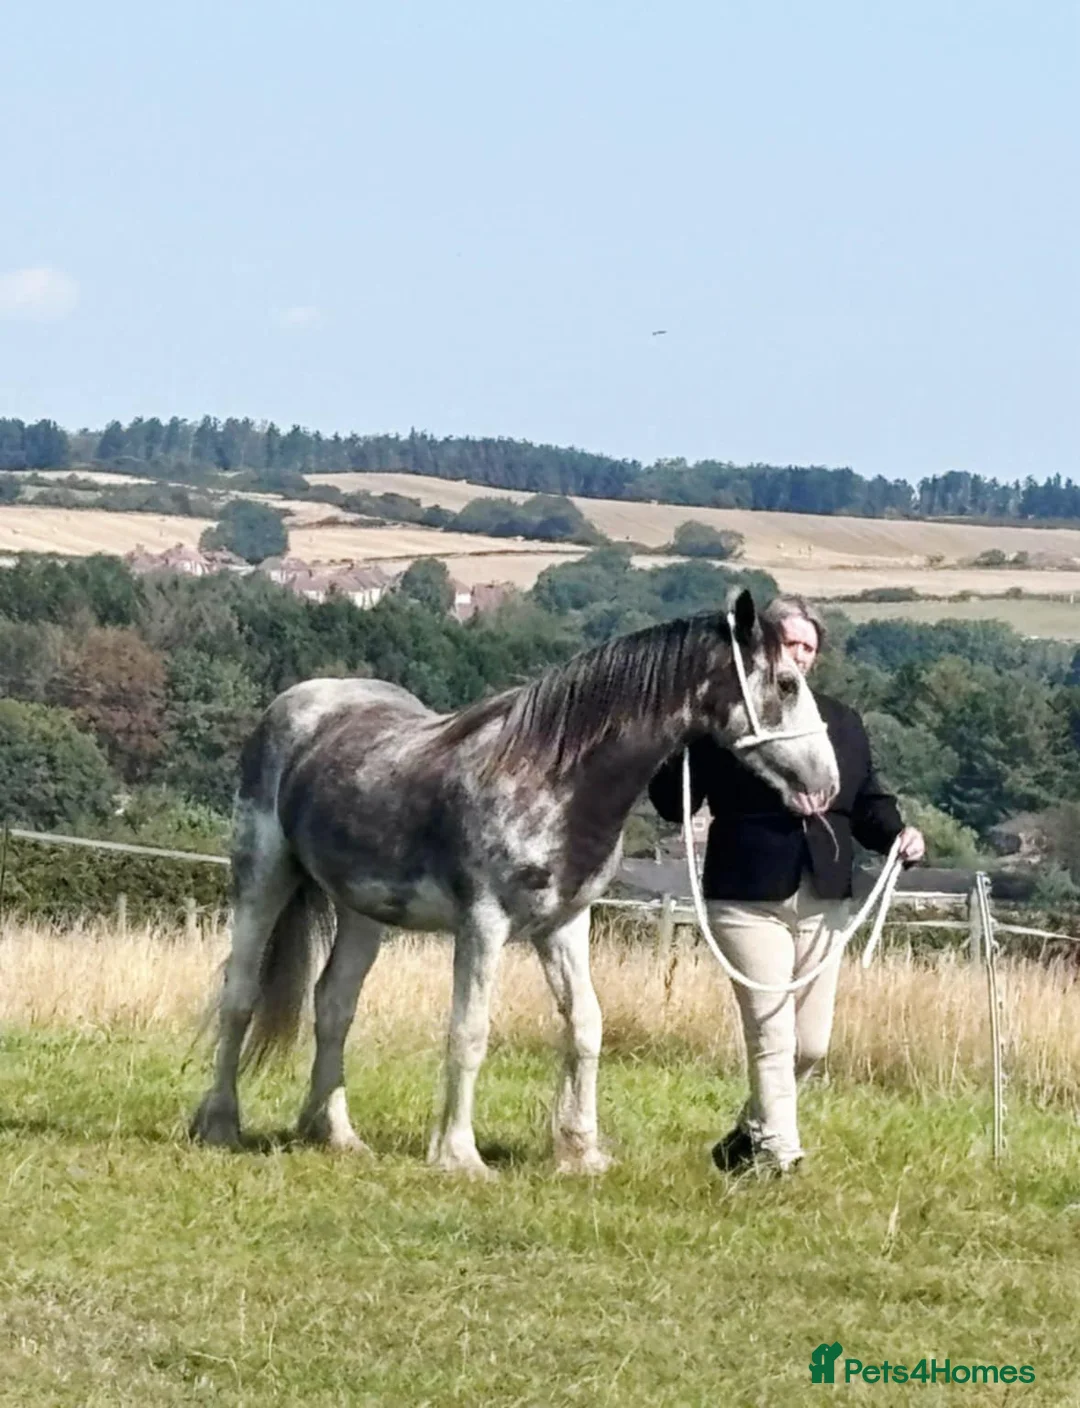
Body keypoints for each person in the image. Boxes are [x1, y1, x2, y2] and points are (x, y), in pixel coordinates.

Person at [647, 595, 925, 1174]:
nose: (799, 655)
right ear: (764, 649)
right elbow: (672, 804)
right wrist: (684, 734)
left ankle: (747, 1136)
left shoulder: (841, 722)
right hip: (747, 896)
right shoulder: (727, 716)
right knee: (772, 1032)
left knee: (811, 1046)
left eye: (808, 647)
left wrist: (901, 835)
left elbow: (868, 802)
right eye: (789, 644)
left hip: (826, 896)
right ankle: (781, 1156)